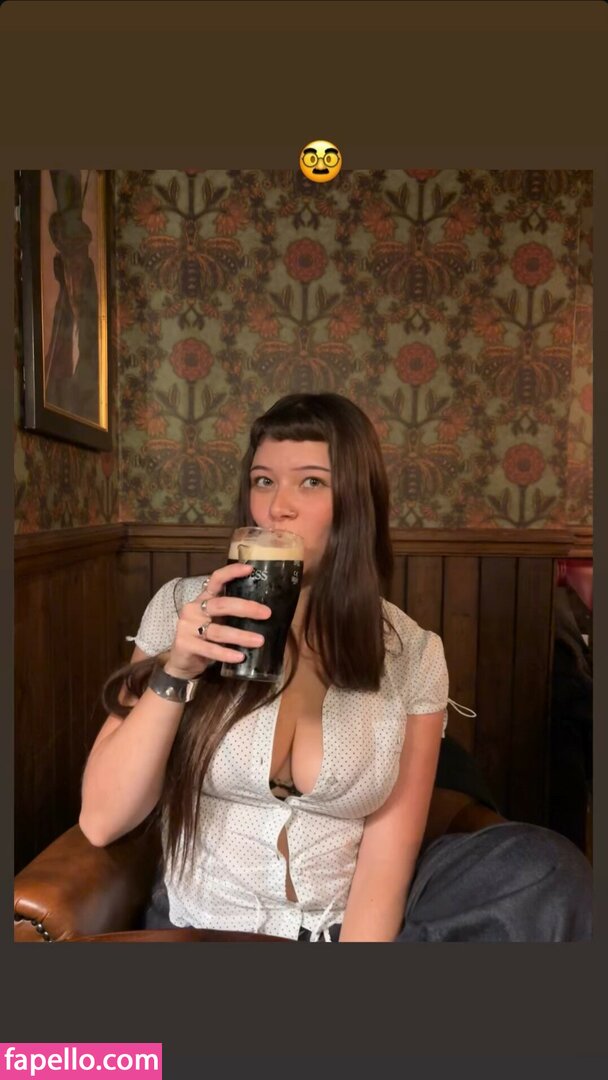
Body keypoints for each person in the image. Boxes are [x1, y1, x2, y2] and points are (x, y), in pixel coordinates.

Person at [79, 393, 592, 942]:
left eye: (311, 482)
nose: (278, 507)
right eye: (263, 481)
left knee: (546, 869)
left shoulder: (412, 653)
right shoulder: (183, 609)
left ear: (354, 503)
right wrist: (177, 671)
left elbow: (384, 867)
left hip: (335, 930)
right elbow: (102, 819)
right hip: (204, 929)